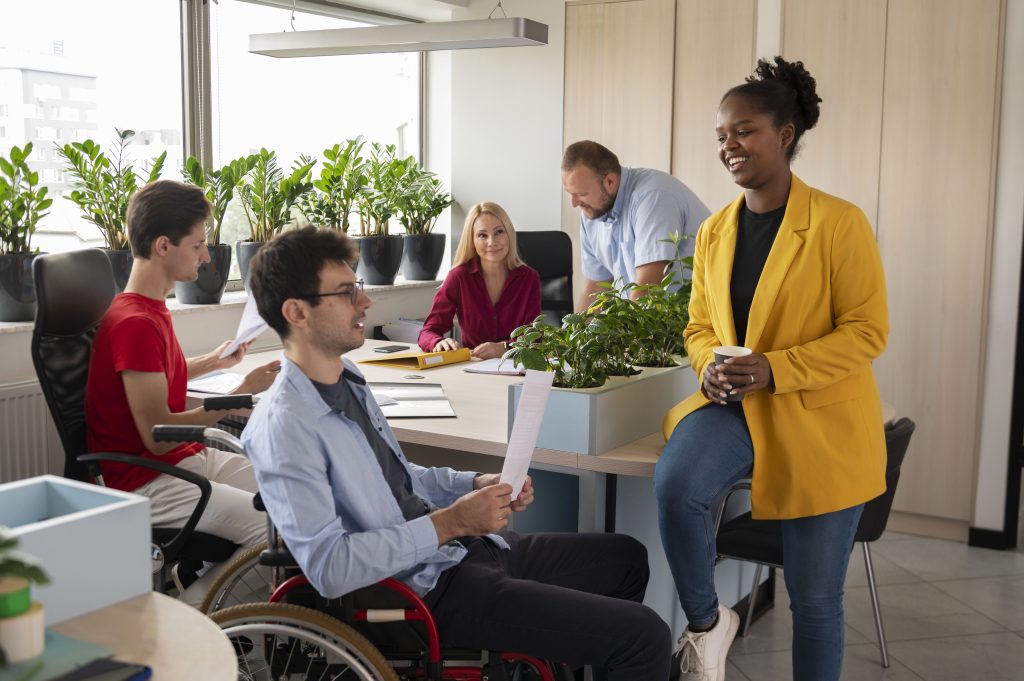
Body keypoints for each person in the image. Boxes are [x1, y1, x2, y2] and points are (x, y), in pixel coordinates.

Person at [243, 226, 671, 680]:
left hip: (460, 551)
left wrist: (475, 484)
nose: (365, 302)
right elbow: (331, 567)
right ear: (297, 312)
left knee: (626, 558)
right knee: (645, 637)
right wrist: (451, 523)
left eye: (359, 286)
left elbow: (399, 478)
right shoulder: (284, 426)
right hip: (426, 590)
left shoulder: (346, 377)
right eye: (347, 292)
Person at [653, 57, 889, 681]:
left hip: (819, 418)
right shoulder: (713, 232)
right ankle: (708, 624)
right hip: (736, 408)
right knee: (677, 486)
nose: (729, 145)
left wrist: (775, 369)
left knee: (814, 602)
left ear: (784, 135)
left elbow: (867, 331)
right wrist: (707, 368)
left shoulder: (838, 223)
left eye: (744, 131)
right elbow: (699, 328)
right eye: (722, 135)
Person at [85, 180, 280, 605]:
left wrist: (214, 361)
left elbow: (156, 375)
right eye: (198, 245)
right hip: (147, 480)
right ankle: (195, 620)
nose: (206, 256)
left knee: (291, 496)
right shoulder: (135, 323)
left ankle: (215, 600)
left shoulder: (148, 307)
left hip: (181, 459)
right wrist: (241, 391)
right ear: (163, 246)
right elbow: (158, 435)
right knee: (274, 532)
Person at [560, 140, 710, 311]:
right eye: (570, 194)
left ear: (610, 181)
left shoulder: (653, 197)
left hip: (696, 316)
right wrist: (572, 328)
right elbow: (596, 288)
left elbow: (647, 289)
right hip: (655, 317)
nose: (574, 203)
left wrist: (622, 329)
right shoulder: (592, 212)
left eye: (581, 194)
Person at [417, 202, 540, 359]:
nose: (492, 242)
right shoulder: (458, 277)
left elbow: (535, 337)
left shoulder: (529, 278)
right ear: (472, 240)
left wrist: (504, 348)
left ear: (509, 234)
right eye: (482, 235)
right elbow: (428, 331)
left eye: (499, 232)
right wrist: (438, 342)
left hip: (517, 366)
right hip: (473, 365)